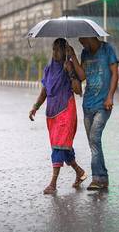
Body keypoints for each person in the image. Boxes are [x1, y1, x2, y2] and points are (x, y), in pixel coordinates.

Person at [29, 38, 86, 195]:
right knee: (63, 147)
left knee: (59, 146)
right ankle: (80, 172)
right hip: (52, 114)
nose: (55, 52)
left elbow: (78, 91)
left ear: (65, 51)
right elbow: (45, 91)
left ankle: (53, 184)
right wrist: (35, 107)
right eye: (53, 49)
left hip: (66, 111)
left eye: (58, 49)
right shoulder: (48, 69)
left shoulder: (68, 67)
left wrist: (71, 72)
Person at [66, 37, 119, 190]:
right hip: (87, 104)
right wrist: (73, 56)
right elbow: (82, 76)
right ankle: (103, 177)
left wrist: (110, 96)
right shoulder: (85, 53)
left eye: (83, 40)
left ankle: (97, 178)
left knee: (95, 139)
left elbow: (115, 74)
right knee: (93, 142)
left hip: (103, 104)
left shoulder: (107, 49)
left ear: (90, 36)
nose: (82, 43)